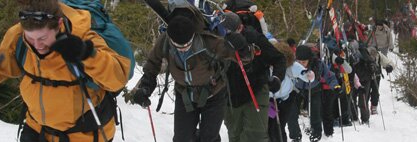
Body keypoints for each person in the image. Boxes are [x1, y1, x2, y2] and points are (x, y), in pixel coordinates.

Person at [0, 0, 131, 141]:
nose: (37, 45)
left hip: (83, 134)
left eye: (42, 38)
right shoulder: (19, 39)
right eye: (31, 38)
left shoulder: (83, 37)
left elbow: (117, 77)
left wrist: (87, 54)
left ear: (59, 24)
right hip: (37, 129)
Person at [131, 6, 250, 142]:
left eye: (187, 45)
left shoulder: (209, 41)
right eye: (178, 46)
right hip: (185, 94)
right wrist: (145, 87)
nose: (182, 49)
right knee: (182, 139)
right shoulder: (165, 41)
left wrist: (243, 48)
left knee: (209, 138)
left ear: (193, 34)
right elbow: (152, 64)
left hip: (213, 93)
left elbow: (244, 59)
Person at [220, 12, 287, 142]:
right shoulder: (220, 42)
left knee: (255, 136)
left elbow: (279, 59)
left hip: (255, 90)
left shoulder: (255, 39)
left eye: (232, 32)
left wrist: (277, 78)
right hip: (230, 95)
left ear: (240, 27)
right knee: (235, 135)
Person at [267, 42, 314, 142]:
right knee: (269, 127)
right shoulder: (266, 65)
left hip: (286, 99)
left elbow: (304, 73)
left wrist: (309, 75)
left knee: (279, 126)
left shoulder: (291, 66)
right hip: (269, 100)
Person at [293, 44, 339, 142]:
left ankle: (316, 135)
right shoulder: (293, 65)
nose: (301, 64)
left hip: (314, 89)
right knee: (291, 113)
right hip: (296, 89)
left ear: (309, 59)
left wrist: (335, 86)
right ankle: (295, 136)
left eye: (304, 62)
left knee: (316, 113)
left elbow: (330, 76)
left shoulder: (318, 64)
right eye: (299, 62)